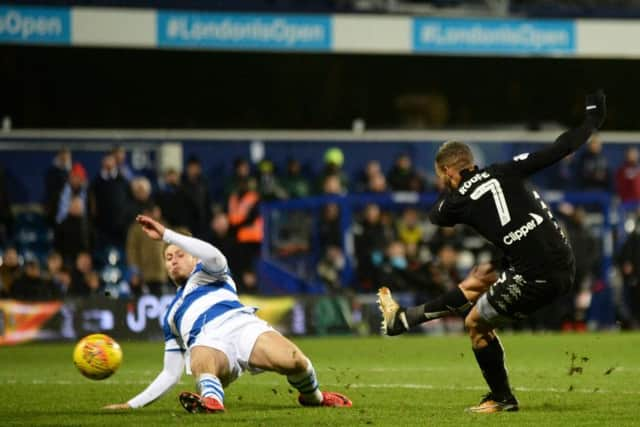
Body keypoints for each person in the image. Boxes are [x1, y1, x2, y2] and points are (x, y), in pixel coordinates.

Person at [377, 91, 606, 413]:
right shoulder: (508, 169)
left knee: (475, 323)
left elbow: (436, 217)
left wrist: (452, 192)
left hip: (536, 276)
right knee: (480, 277)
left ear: (446, 172)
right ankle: (403, 320)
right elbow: (561, 147)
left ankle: (502, 398)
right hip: (560, 260)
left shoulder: (455, 201)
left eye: (442, 175)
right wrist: (593, 120)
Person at [104, 214, 352, 413]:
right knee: (199, 352)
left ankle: (314, 398)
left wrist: (168, 235)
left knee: (296, 362)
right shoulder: (171, 315)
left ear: (194, 258)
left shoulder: (211, 273)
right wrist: (131, 404)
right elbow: (170, 373)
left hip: (242, 327)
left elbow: (213, 254)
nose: (173, 261)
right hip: (209, 343)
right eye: (168, 258)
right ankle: (212, 401)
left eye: (180, 254)